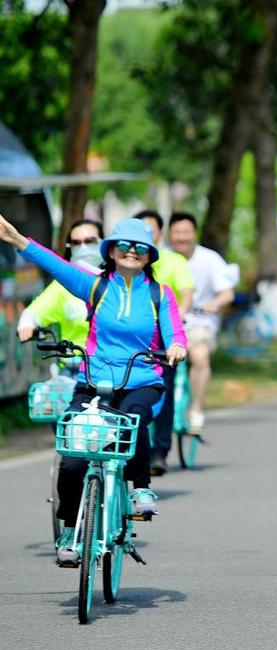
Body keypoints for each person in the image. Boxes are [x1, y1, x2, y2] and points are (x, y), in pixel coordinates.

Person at [0, 214, 187, 565]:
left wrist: (177, 346)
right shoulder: (95, 287)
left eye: (140, 247)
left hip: (142, 381)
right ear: (112, 251)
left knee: (134, 418)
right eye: (124, 245)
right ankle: (71, 531)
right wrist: (17, 239)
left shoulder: (160, 294)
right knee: (72, 460)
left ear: (149, 255)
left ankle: (141, 487)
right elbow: (54, 264)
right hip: (93, 384)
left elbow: (175, 331)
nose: (131, 251)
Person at [135, 210, 194, 475]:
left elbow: (186, 295)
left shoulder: (173, 262)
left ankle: (159, 451)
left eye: (151, 230)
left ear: (160, 233)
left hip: (164, 339)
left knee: (164, 390)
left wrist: (177, 318)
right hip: (133, 340)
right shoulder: (124, 264)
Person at [167, 212, 234, 435]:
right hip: (167, 323)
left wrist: (214, 304)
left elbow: (227, 293)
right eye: (177, 232)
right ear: (169, 234)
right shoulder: (161, 258)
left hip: (198, 323)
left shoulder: (210, 259)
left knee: (200, 355)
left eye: (186, 232)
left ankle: (196, 409)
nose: (182, 237)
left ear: (194, 233)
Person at [17, 219, 104, 347]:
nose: (83, 248)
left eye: (90, 241)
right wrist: (26, 324)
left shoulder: (116, 282)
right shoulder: (62, 286)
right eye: (76, 243)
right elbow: (33, 313)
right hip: (75, 357)